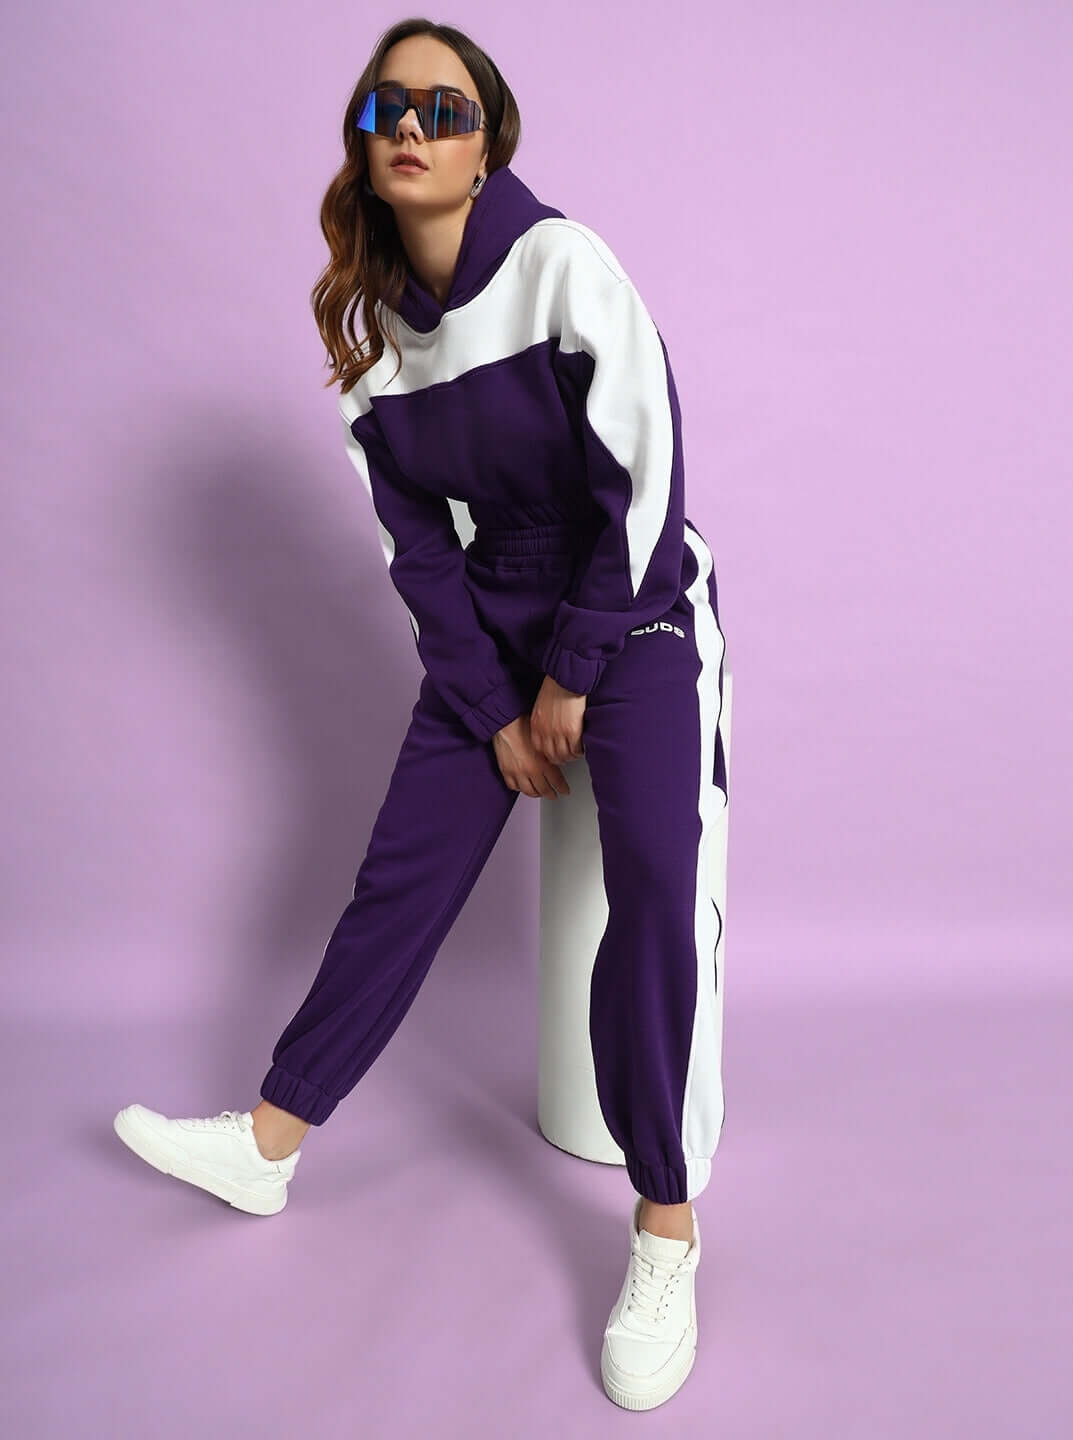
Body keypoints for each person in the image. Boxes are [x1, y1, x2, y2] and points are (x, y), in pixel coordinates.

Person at [113, 18, 729, 1413]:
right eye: (383, 106)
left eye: (440, 106)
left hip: (628, 616)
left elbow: (649, 476)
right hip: (497, 631)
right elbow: (421, 558)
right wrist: (491, 707)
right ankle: (269, 1146)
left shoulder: (567, 265)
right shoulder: (379, 343)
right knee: (396, 887)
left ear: (488, 139)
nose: (407, 125)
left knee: (652, 892)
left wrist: (569, 678)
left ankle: (667, 1233)